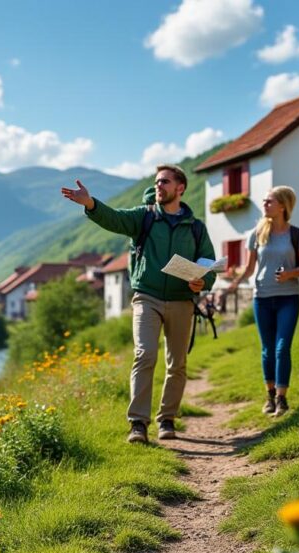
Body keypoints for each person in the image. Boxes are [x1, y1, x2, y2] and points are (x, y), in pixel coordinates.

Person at [61, 165, 216, 444]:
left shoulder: (196, 228)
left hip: (182, 301)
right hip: (147, 296)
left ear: (180, 188)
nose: (159, 186)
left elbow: (208, 263)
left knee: (177, 363)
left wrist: (203, 282)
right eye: (157, 181)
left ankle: (167, 418)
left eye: (165, 182)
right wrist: (91, 204)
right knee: (145, 354)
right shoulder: (144, 218)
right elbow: (114, 219)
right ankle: (138, 424)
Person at [226, 186, 299, 416]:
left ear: (283, 205)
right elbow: (250, 267)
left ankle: (282, 398)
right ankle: (270, 396)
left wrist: (289, 275)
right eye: (264, 201)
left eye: (269, 201)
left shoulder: (297, 235)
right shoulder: (256, 234)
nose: (264, 204)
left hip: (288, 298)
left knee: (282, 348)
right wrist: (234, 283)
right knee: (267, 350)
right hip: (261, 297)